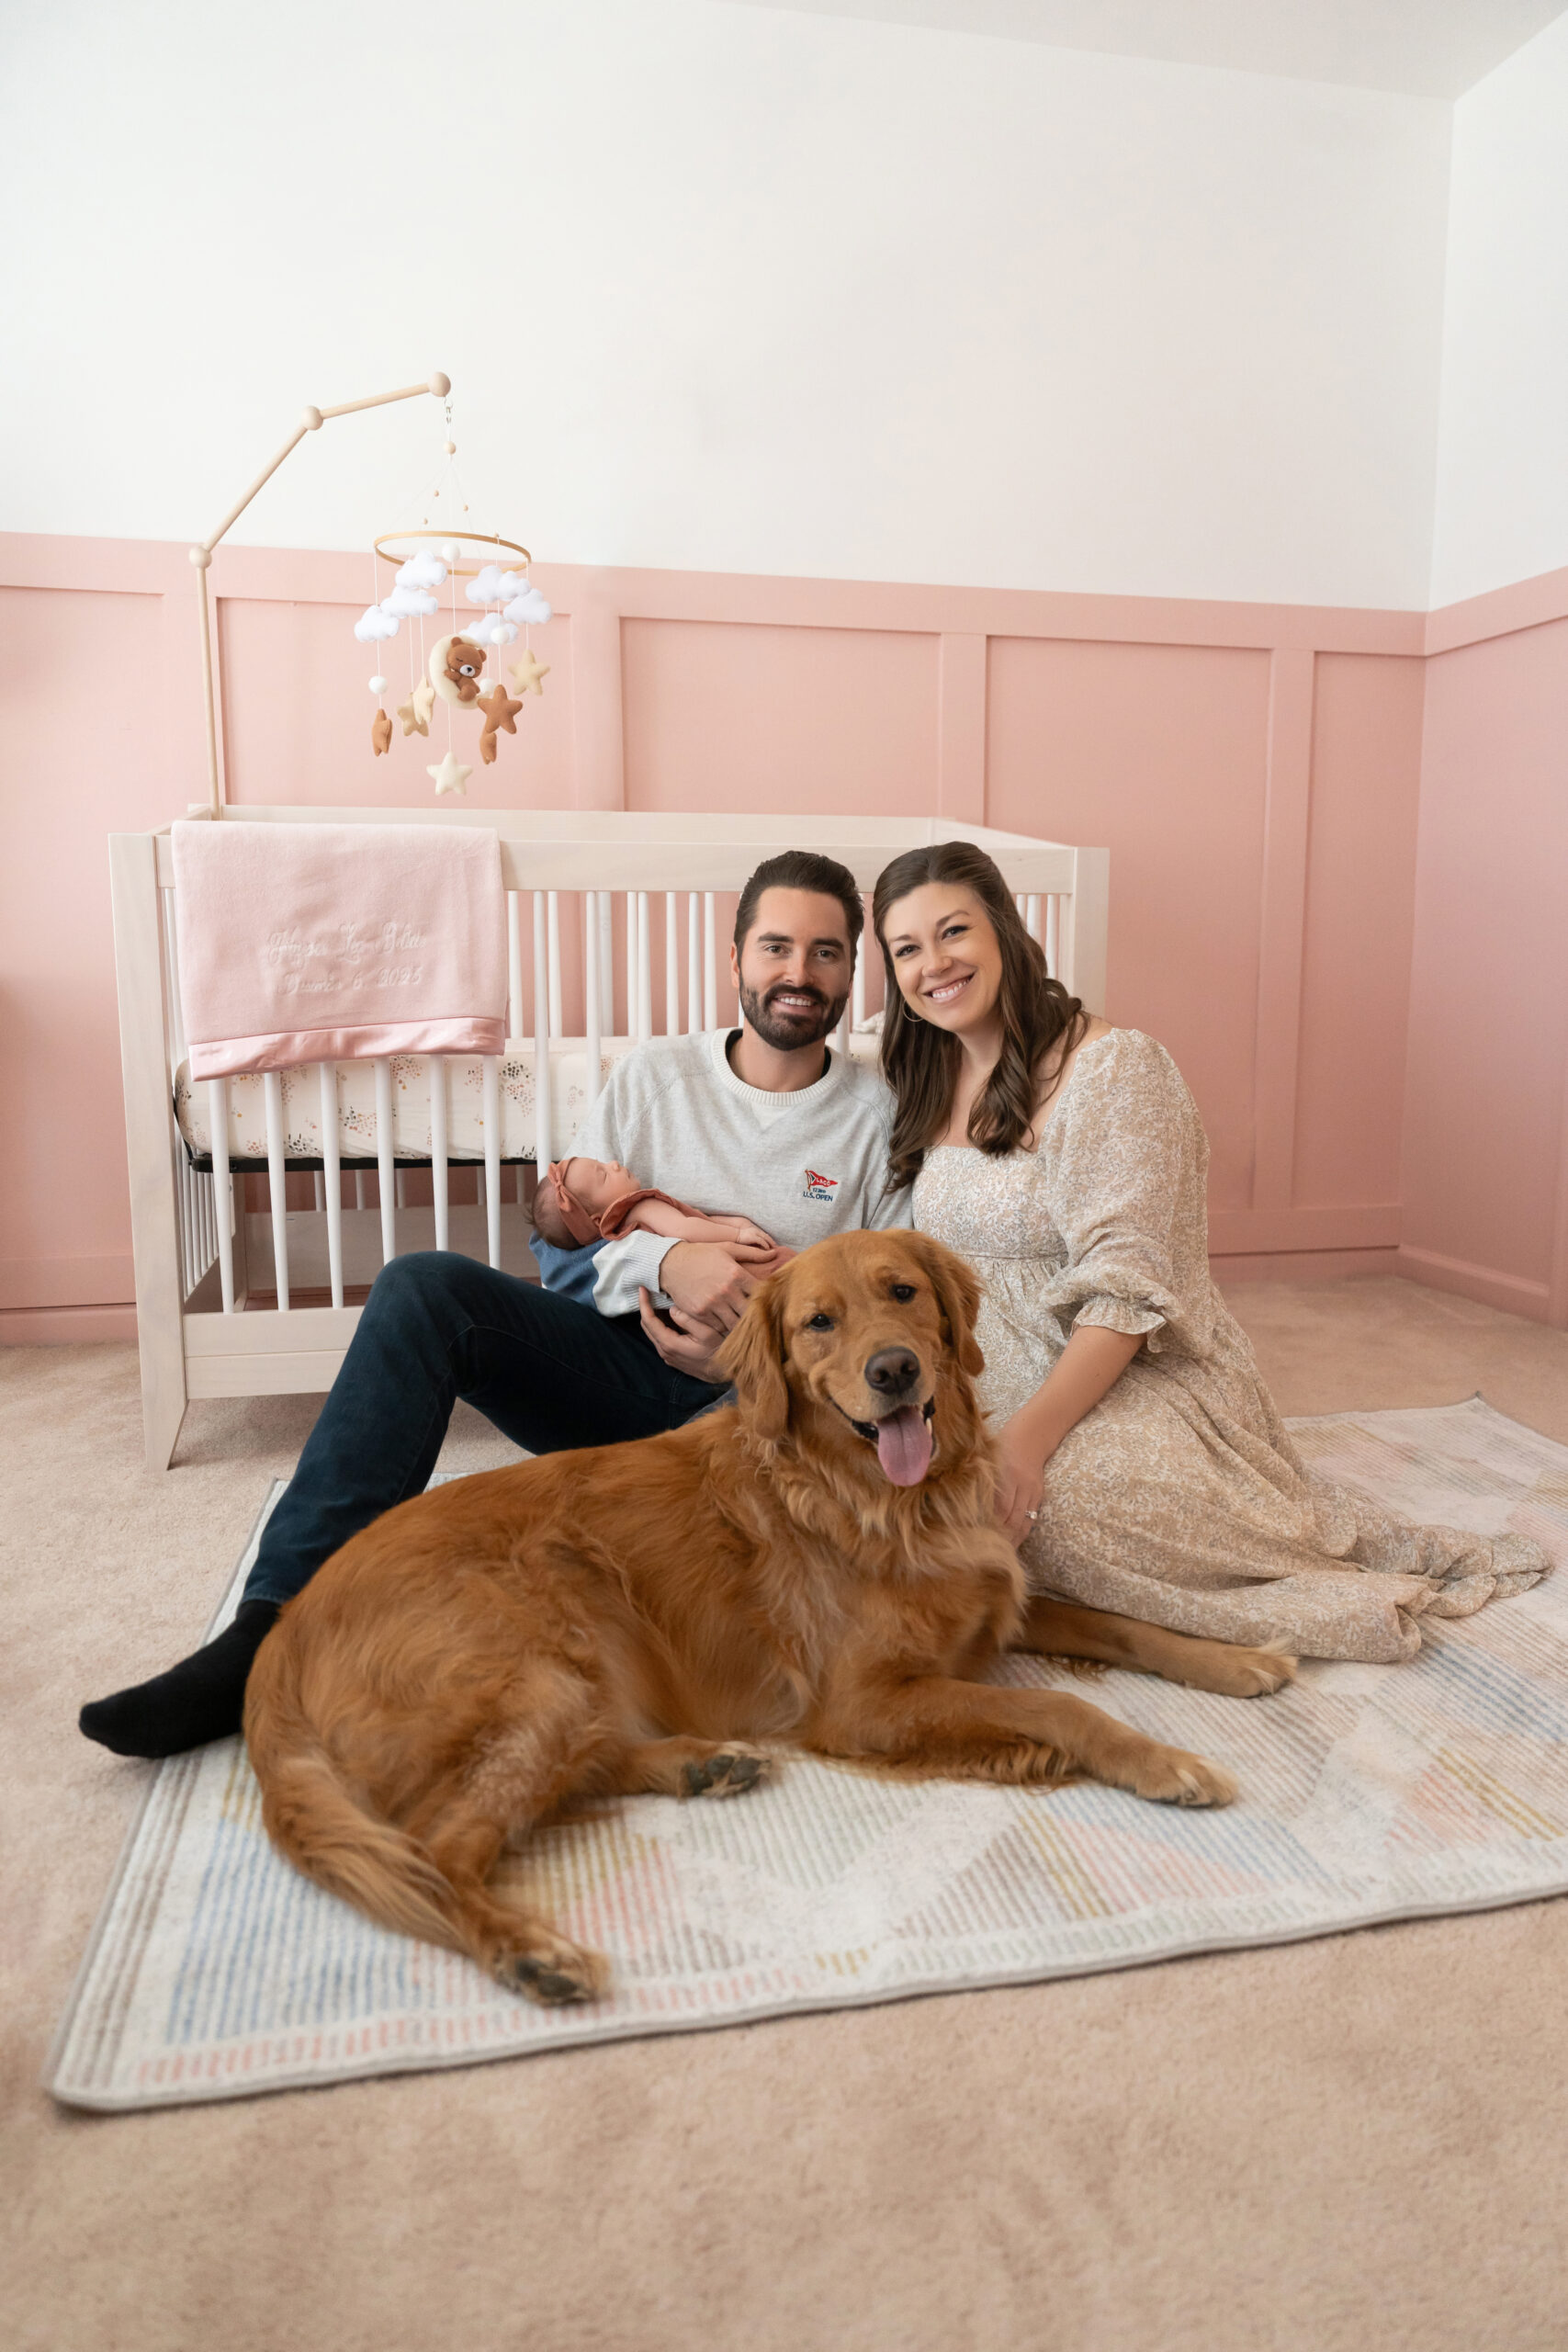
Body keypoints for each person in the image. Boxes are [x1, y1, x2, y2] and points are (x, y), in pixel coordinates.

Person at [81, 850, 908, 1758]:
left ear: (853, 967)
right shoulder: (654, 1079)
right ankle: (261, 1634)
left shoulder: (880, 1116)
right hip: (620, 1378)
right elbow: (561, 1263)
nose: (799, 974)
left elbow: (886, 1324)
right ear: (736, 956)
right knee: (422, 1288)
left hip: (764, 1421)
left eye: (826, 952)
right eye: (777, 947)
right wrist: (671, 1263)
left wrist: (753, 1365)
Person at [872, 839, 1550, 1664]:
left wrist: (1026, 1445)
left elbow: (1128, 1290)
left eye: (953, 932)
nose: (933, 963)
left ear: (1005, 932)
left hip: (1112, 1370)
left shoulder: (1113, 1069)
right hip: (975, 1378)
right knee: (894, 1492)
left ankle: (1278, 1570)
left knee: (1065, 1510)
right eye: (906, 948)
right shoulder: (921, 1078)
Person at [531, 1153, 786, 1269]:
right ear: (598, 1219)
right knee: (784, 1262)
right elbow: (686, 1228)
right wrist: (737, 1235)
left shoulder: (631, 1225)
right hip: (730, 1263)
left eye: (602, 1163)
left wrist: (735, 1223)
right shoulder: (642, 1208)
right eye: (604, 1175)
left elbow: (698, 1218)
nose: (614, 1164)